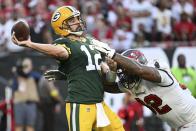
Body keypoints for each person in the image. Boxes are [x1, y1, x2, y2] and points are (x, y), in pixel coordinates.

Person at [11, 5, 124, 131]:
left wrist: (112, 70)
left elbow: (108, 80)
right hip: (81, 104)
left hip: (100, 104)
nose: (77, 21)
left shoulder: (90, 41)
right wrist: (30, 44)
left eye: (77, 18)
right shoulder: (64, 42)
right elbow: (60, 52)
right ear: (61, 26)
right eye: (71, 20)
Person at [92, 44, 196, 131]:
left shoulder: (158, 73)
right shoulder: (132, 85)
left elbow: (140, 70)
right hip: (181, 125)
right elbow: (108, 87)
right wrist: (112, 71)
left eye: (125, 70)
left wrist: (112, 54)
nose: (124, 75)